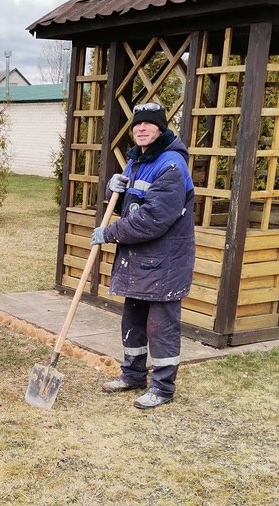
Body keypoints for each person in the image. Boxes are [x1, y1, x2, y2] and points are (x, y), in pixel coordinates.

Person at [91, 102, 195, 409]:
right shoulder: (136, 160)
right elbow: (131, 207)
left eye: (148, 124)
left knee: (160, 326)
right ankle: (133, 375)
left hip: (165, 261)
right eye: (137, 124)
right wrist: (115, 191)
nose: (141, 128)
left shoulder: (172, 165)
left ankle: (162, 388)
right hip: (139, 259)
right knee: (133, 320)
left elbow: (153, 218)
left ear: (160, 128)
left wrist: (110, 233)